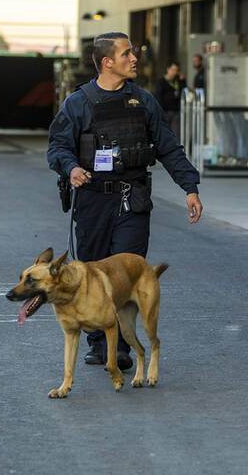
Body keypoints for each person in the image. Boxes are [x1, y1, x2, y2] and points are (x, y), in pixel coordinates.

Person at [48, 32, 203, 369]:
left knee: (123, 273)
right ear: (107, 62)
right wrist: (71, 167)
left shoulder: (144, 101)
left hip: (132, 200)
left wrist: (189, 187)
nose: (135, 58)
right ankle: (97, 341)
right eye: (127, 54)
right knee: (90, 271)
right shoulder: (78, 103)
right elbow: (57, 147)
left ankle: (118, 346)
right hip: (92, 202)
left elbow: (168, 147)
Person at [153, 62, 186, 137]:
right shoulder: (161, 82)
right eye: (173, 69)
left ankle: (173, 148)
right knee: (165, 132)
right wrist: (160, 111)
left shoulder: (178, 81)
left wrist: (183, 81)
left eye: (176, 70)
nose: (174, 72)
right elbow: (158, 97)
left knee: (175, 132)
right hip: (165, 111)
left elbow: (183, 92)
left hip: (176, 111)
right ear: (168, 69)